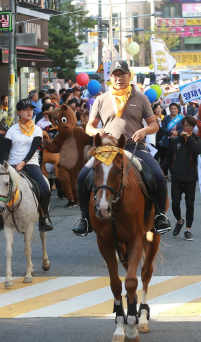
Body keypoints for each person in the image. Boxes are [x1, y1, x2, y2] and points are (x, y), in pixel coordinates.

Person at [71, 60, 171, 236]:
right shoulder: (101, 99)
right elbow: (88, 127)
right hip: (107, 150)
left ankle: (160, 216)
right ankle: (85, 218)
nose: (119, 78)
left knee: (157, 175)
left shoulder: (141, 98)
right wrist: (96, 131)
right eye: (115, 75)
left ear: (129, 75)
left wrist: (144, 130)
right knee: (82, 177)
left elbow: (154, 125)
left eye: (122, 74)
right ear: (110, 77)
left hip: (135, 147)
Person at [0, 99, 53, 232]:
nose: (29, 112)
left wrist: (23, 162)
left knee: (45, 189)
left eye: (31, 109)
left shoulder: (37, 129)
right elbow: (6, 151)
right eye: (25, 110)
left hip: (31, 164)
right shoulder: (12, 130)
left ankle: (43, 218)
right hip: (12, 165)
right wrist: (1, 167)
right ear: (19, 112)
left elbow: (33, 149)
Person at [161, 116, 201, 241]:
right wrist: (161, 169)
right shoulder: (175, 141)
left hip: (190, 177)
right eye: (185, 125)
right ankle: (180, 221)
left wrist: (189, 137)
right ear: (182, 126)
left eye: (190, 126)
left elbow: (198, 150)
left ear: (193, 127)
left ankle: (188, 230)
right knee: (174, 204)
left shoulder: (196, 139)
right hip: (177, 177)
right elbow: (168, 158)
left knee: (190, 204)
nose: (187, 128)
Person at [160, 103, 184, 172]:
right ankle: (168, 173)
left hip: (178, 139)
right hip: (168, 140)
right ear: (169, 110)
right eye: (172, 109)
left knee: (177, 157)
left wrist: (177, 133)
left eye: (175, 109)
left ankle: (176, 172)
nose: (173, 110)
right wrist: (171, 132)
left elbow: (183, 128)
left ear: (177, 110)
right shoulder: (165, 118)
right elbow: (163, 129)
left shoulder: (181, 118)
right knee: (168, 157)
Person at [0, 95, 13, 164]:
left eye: (8, 99)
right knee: (6, 151)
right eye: (5, 100)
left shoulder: (10, 110)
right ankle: (3, 166)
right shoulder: (2, 111)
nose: (6, 101)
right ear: (2, 101)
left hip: (10, 134)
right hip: (5, 135)